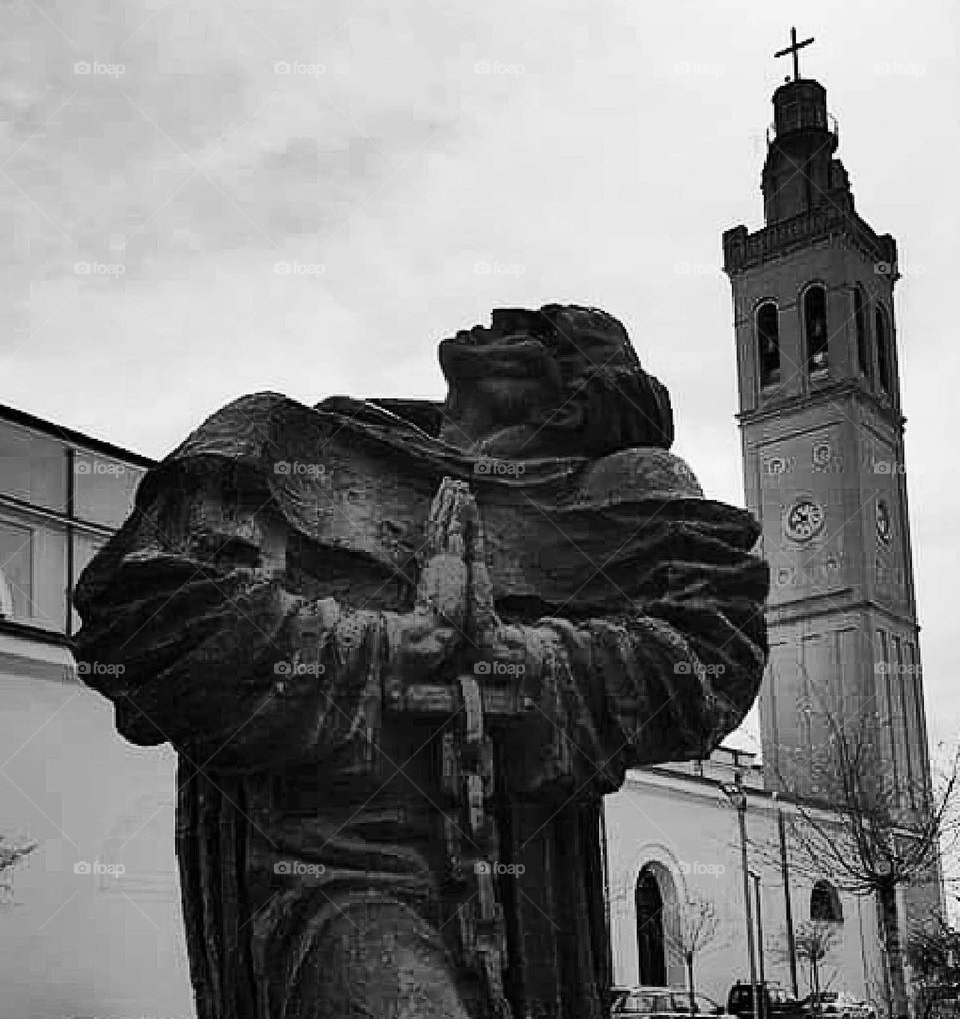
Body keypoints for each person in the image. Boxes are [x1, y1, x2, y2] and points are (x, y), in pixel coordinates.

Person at [73, 304, 769, 1018]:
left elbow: (712, 657)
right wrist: (393, 649)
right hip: (333, 878)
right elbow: (141, 624)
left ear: (574, 399)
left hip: (530, 910)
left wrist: (516, 662)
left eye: (536, 330)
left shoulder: (607, 498)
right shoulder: (281, 440)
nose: (496, 316)